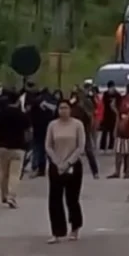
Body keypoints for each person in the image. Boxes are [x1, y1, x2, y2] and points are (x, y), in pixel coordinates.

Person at [45, 100, 87, 243]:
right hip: (56, 164)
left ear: (70, 110)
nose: (63, 110)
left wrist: (69, 162)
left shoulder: (77, 125)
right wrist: (57, 162)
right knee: (54, 199)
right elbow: (48, 146)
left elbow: (80, 147)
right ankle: (57, 232)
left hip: (73, 165)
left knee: (72, 198)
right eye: (61, 108)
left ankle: (75, 228)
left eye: (66, 108)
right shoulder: (53, 125)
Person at [0, 90, 31, 208]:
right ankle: (11, 196)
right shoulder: (22, 115)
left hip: (2, 146)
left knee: (3, 173)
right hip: (18, 147)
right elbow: (28, 132)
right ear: (18, 100)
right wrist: (27, 143)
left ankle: (4, 195)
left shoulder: (1, 113)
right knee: (15, 174)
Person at [69, 89, 99, 179]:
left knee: (89, 151)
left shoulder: (81, 109)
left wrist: (88, 129)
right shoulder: (70, 109)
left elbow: (88, 120)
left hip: (83, 132)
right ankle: (70, 170)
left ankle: (95, 172)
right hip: (72, 133)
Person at [99, 81, 120, 152]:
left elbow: (119, 103)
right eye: (110, 88)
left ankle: (111, 147)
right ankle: (102, 147)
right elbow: (104, 103)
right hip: (106, 115)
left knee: (112, 132)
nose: (111, 89)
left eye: (112, 87)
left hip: (114, 116)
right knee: (104, 132)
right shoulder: (105, 94)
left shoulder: (117, 95)